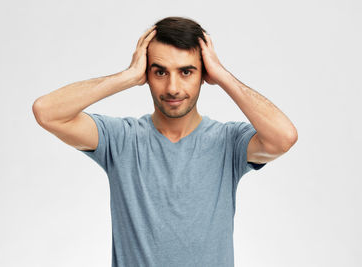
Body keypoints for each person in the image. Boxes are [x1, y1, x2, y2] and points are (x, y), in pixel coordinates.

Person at [33, 16, 297, 267]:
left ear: (204, 75)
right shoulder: (121, 139)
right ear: (146, 75)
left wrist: (223, 75)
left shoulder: (228, 143)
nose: (172, 88)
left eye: (186, 72)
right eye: (160, 72)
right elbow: (46, 112)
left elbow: (283, 138)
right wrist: (127, 76)